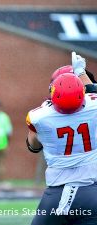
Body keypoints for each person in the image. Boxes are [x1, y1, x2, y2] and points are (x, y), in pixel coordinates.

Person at [26, 72, 97, 224]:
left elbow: (33, 146)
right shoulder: (93, 106)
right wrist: (83, 74)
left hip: (58, 192)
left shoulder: (39, 117)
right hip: (92, 191)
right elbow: (92, 91)